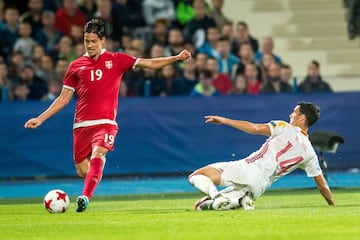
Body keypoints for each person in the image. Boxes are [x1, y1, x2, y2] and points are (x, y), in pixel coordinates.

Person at [24, 18, 191, 212]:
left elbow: (149, 63)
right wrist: (40, 118)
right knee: (82, 171)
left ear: (103, 41)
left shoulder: (117, 60)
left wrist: (175, 58)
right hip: (81, 125)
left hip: (105, 123)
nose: (90, 45)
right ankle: (97, 166)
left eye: (94, 41)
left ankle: (85, 197)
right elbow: (63, 98)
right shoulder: (75, 66)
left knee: (98, 153)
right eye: (87, 41)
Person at [189, 101, 335, 211]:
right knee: (200, 206)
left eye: (294, 112)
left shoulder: (284, 127)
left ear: (302, 118)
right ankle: (241, 200)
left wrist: (225, 121)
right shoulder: (310, 152)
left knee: (196, 175)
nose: (291, 115)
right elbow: (322, 186)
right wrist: (332, 205)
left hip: (249, 168)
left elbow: (255, 128)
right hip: (259, 187)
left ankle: (217, 196)